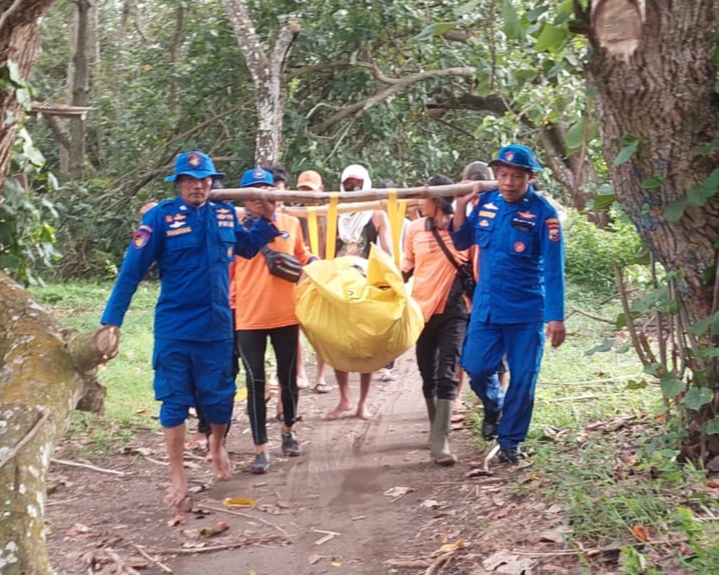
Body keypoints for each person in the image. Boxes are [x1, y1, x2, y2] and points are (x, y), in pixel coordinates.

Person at [101, 151, 279, 510]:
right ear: (178, 183)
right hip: (175, 327)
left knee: (219, 397)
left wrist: (268, 216)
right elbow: (131, 272)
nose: (197, 186)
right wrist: (112, 321)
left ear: (213, 183)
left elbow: (246, 248)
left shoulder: (225, 213)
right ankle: (177, 475)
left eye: (204, 180)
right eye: (189, 180)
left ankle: (216, 445)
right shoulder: (160, 218)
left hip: (216, 326)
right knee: (174, 401)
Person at [451, 144, 566, 464]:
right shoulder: (486, 204)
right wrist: (461, 206)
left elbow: (554, 269)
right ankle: (494, 405)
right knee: (476, 367)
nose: (508, 182)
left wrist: (556, 316)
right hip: (487, 307)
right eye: (502, 175)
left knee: (524, 377)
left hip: (526, 310)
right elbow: (462, 241)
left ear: (529, 177)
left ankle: (511, 440)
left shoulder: (544, 214)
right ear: (496, 176)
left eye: (516, 176)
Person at [232, 168, 317, 474]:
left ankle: (288, 430)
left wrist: (324, 267)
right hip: (248, 317)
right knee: (255, 381)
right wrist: (231, 311)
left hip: (285, 314)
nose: (261, 197)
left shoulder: (291, 223)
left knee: (288, 377)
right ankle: (259, 447)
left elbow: (302, 255)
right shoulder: (234, 228)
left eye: (266, 189)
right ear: (244, 197)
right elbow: (229, 270)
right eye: (254, 191)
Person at [402, 174, 473, 466]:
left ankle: (441, 441)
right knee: (426, 373)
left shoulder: (461, 231)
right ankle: (435, 430)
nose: (420, 203)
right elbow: (407, 263)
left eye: (425, 198)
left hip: (454, 310)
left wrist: (460, 210)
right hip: (422, 311)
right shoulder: (416, 229)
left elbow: (471, 257)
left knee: (447, 371)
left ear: (436, 201)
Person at [328, 164, 393, 420]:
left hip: (367, 285)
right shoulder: (334, 213)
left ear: (365, 183)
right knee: (336, 341)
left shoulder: (376, 214)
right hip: (338, 285)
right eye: (348, 184)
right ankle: (344, 398)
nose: (353, 189)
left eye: (357, 184)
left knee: (367, 344)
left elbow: (387, 251)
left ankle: (363, 403)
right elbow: (325, 249)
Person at [294, 169, 330, 393]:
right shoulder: (294, 215)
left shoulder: (330, 214)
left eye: (310, 190)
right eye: (302, 190)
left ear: (320, 190)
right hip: (299, 273)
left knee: (322, 326)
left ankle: (321, 375)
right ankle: (300, 372)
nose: (306, 196)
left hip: (324, 272)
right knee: (296, 323)